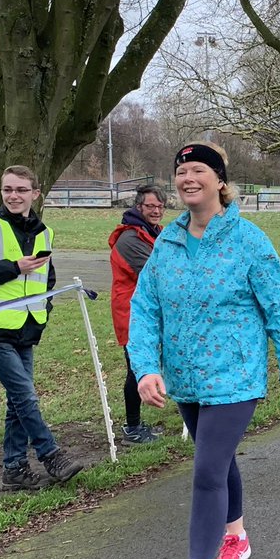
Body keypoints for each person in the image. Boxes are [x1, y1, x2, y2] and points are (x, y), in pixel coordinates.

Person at [128, 142, 280, 559]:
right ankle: (236, 537)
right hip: (186, 380)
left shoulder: (249, 241)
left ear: (220, 181)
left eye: (199, 170)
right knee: (220, 459)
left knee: (206, 470)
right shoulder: (166, 243)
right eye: (181, 171)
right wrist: (145, 368)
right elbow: (144, 309)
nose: (188, 178)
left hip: (236, 379)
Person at [0, 165, 83, 492]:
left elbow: (47, 281)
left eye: (21, 190)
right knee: (25, 395)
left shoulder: (43, 232)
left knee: (16, 400)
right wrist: (14, 268)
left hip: (26, 328)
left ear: (35, 194)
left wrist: (45, 310)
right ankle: (50, 454)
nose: (13, 196)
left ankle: (14, 469)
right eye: (8, 189)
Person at [109, 185, 168, 443]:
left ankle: (138, 424)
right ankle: (132, 428)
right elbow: (159, 274)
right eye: (150, 206)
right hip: (131, 313)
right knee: (136, 369)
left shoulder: (154, 233)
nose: (155, 211)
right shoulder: (130, 239)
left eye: (160, 206)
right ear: (138, 207)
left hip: (150, 312)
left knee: (149, 366)